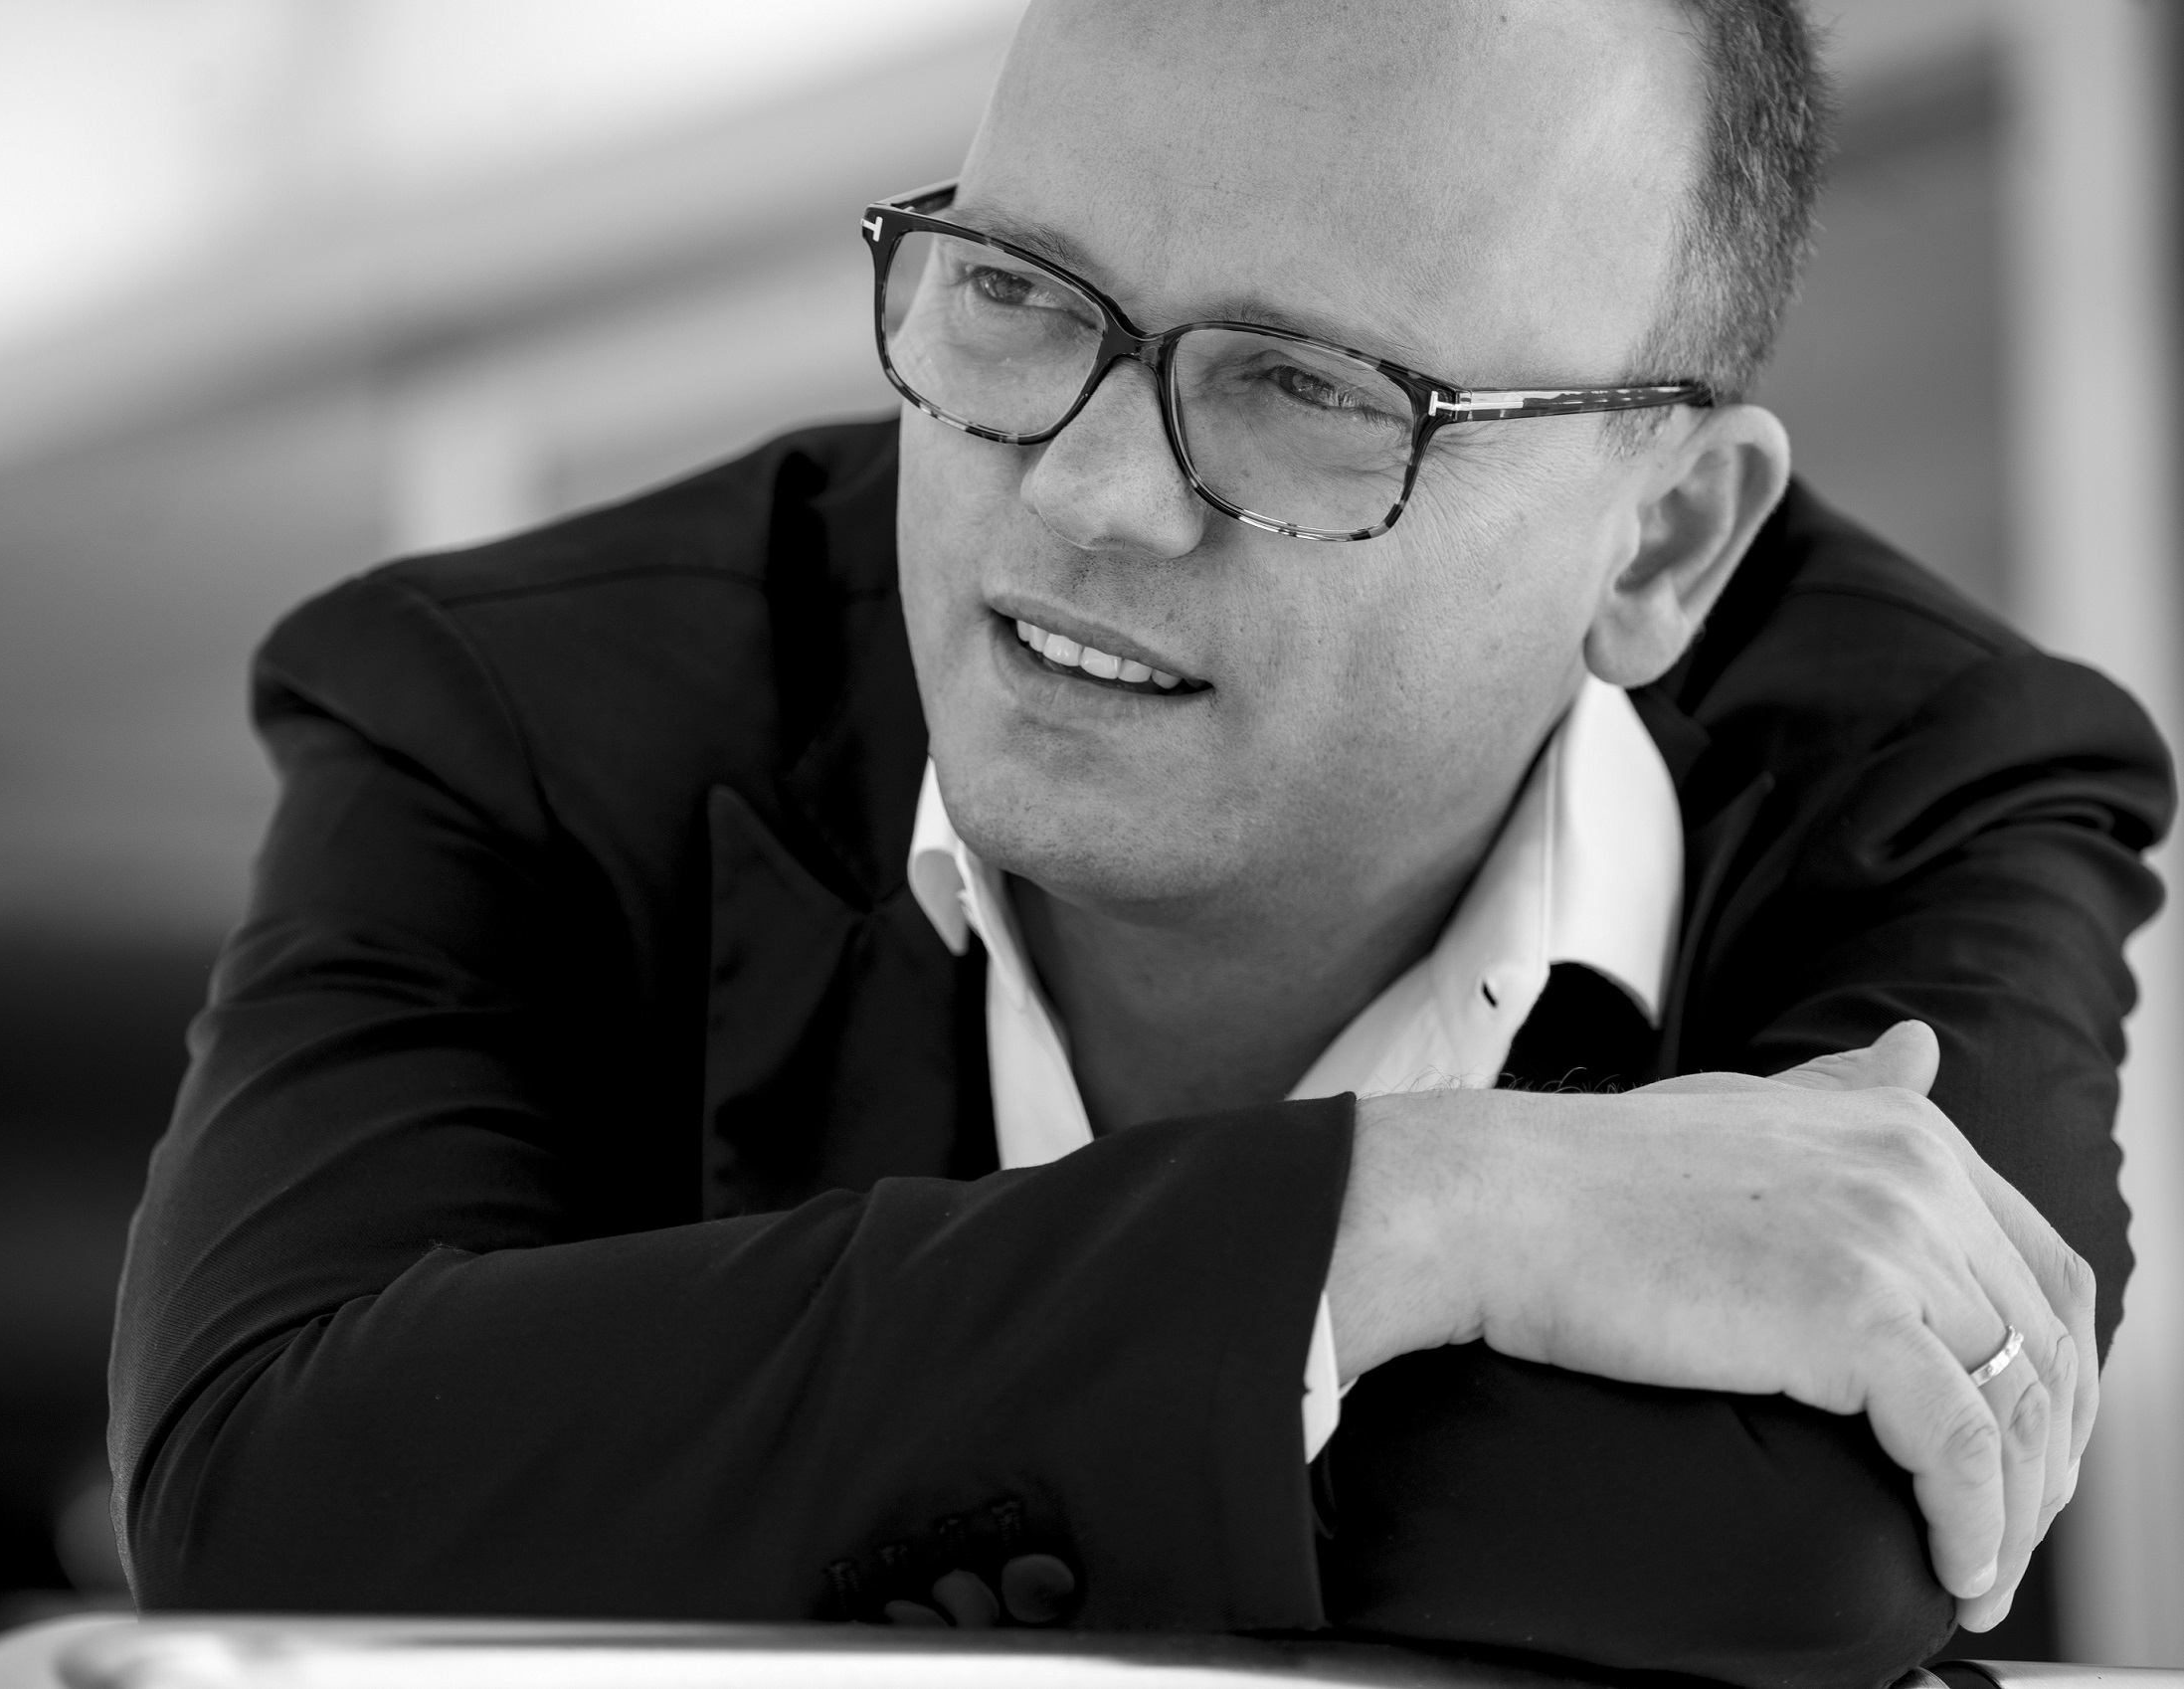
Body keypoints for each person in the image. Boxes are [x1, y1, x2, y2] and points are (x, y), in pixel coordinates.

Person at [107, 3, 2171, 1685]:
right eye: (1017, 290)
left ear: (1659, 545)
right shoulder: (515, 716)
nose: (1089, 492)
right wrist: (1412, 1214)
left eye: (1308, 388)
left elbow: (1792, 1542)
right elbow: (277, 1506)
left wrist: (669, 1470)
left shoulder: (1928, 779)